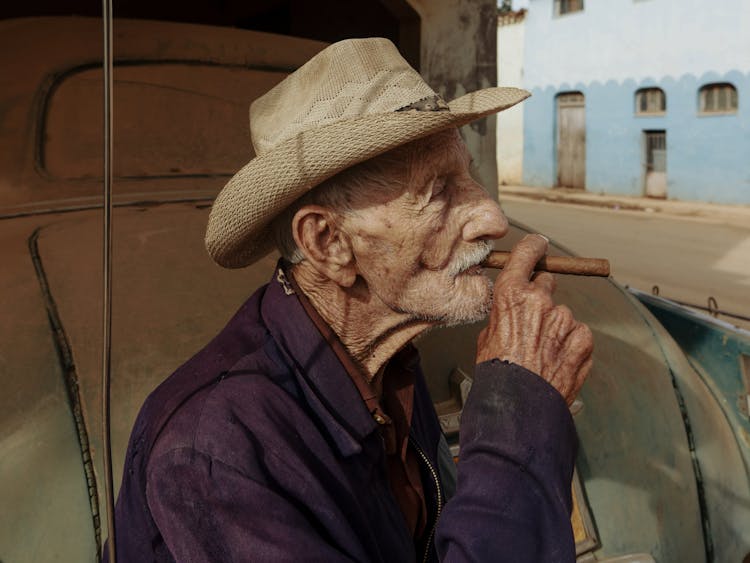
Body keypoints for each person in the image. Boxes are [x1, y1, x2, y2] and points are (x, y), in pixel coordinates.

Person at [108, 37, 593, 562]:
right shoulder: (217, 451)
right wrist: (516, 412)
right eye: (438, 191)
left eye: (467, 177)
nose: (493, 219)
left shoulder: (389, 368)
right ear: (328, 243)